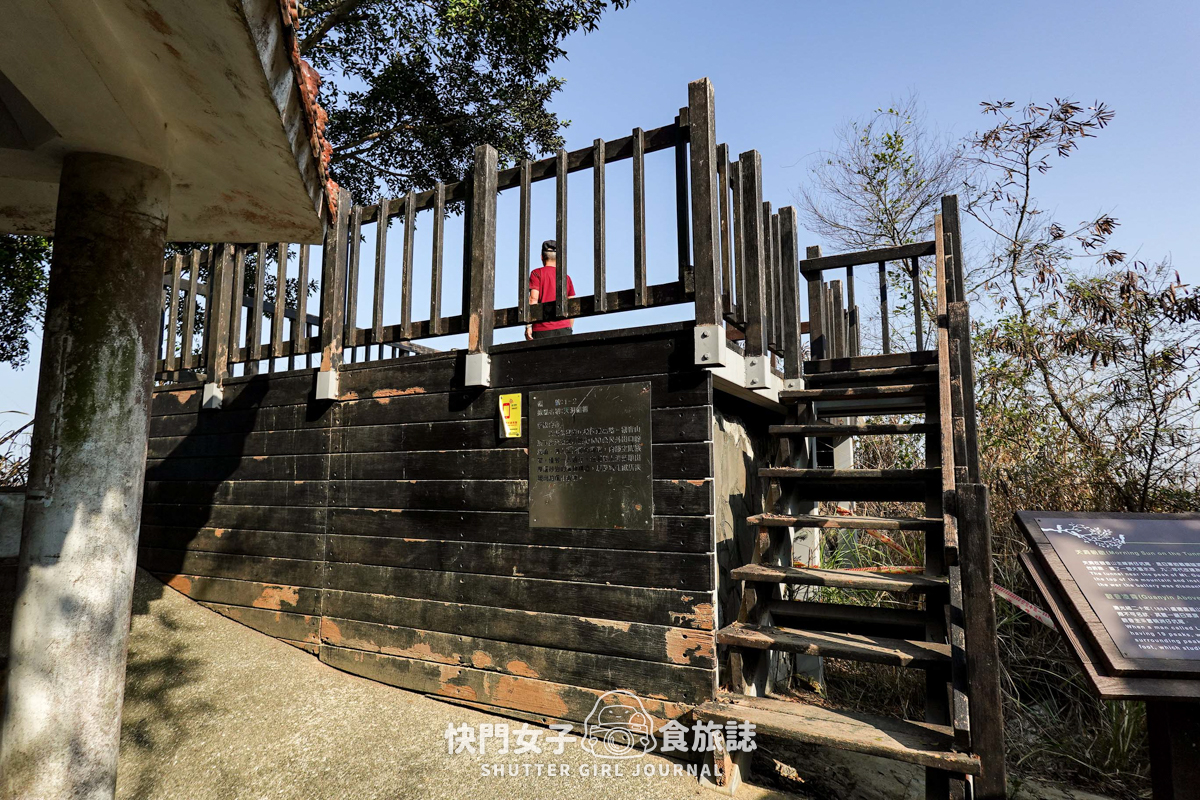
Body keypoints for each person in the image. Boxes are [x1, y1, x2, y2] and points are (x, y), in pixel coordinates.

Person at [525, 239, 576, 340]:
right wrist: (568, 328)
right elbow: (572, 306)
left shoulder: (536, 273)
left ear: (542, 257)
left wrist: (528, 326)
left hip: (542, 329)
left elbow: (533, 299)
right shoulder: (566, 278)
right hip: (564, 328)